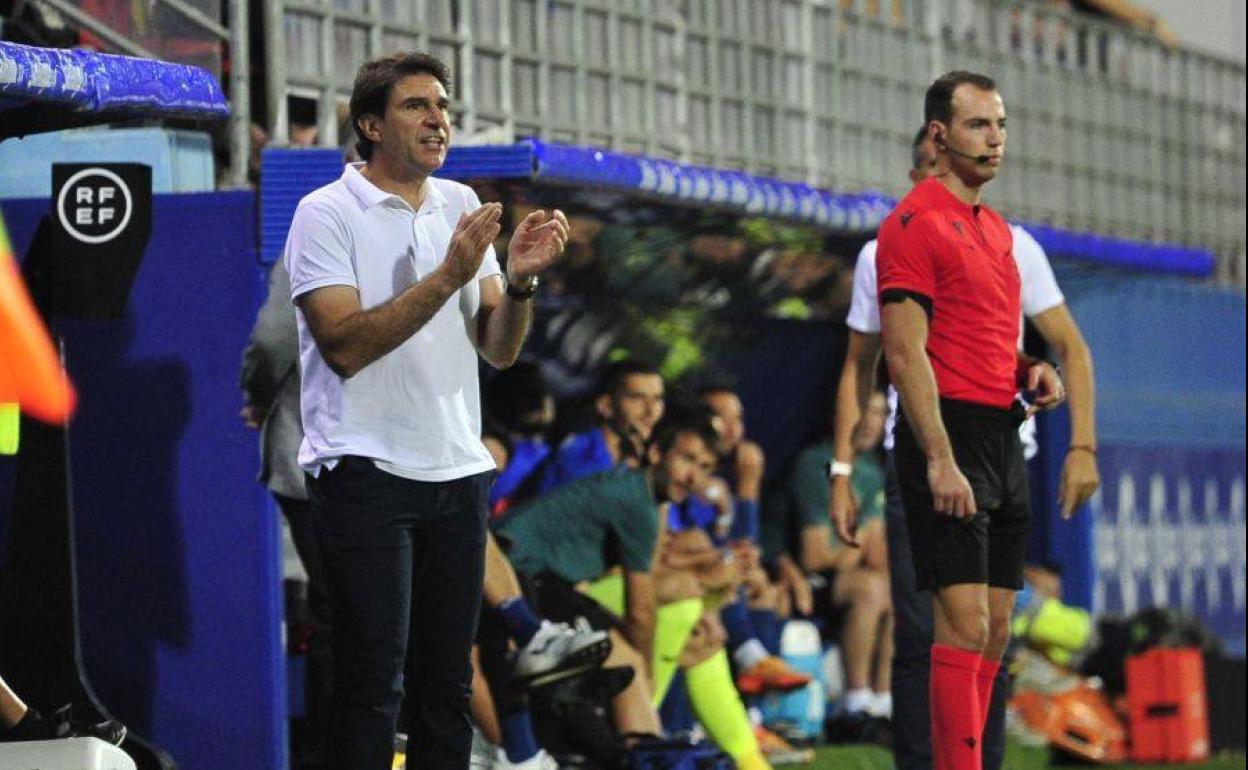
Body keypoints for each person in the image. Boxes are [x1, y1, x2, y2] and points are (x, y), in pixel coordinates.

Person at [284, 51, 568, 770]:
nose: (438, 117)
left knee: (449, 684)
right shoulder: (324, 214)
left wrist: (524, 286)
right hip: (365, 473)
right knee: (371, 683)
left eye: (442, 105)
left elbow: (498, 348)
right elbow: (345, 345)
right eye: (417, 105)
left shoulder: (462, 205)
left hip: (456, 475)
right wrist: (448, 275)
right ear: (371, 124)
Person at [830, 118, 1100, 769]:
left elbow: (1052, 346)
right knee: (924, 632)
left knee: (992, 633)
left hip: (1005, 455)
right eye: (929, 166)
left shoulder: (1011, 246)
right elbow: (860, 365)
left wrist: (1059, 412)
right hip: (921, 461)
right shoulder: (883, 252)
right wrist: (843, 469)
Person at [875, 70, 1067, 770]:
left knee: (996, 632)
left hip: (1000, 433)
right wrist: (938, 457)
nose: (996, 139)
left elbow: (982, 334)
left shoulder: (999, 235)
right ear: (939, 134)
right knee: (964, 625)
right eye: (979, 125)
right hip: (949, 436)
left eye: (1002, 125)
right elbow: (903, 351)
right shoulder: (911, 224)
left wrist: (1028, 370)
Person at [239, 259, 334, 768]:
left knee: (342, 614)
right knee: (353, 615)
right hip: (340, 464)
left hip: (314, 456)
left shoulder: (310, 241)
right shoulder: (429, 237)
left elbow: (272, 343)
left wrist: (260, 396)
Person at [785, 391, 893, 740]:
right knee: (873, 588)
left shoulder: (872, 472)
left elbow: (875, 552)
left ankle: (883, 704)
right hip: (805, 582)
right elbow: (814, 557)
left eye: (880, 413)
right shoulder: (816, 464)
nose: (872, 422)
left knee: (900, 586)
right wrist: (861, 526)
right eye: (865, 410)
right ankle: (855, 703)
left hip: (851, 573)